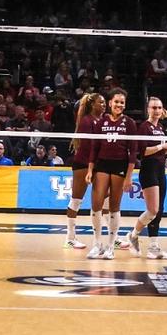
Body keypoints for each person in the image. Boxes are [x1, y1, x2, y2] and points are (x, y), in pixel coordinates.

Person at [85, 89, 139, 260]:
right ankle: (97, 244)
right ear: (110, 103)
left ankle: (110, 246)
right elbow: (94, 148)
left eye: (122, 102)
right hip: (102, 164)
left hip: (120, 165)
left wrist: (129, 176)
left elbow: (133, 152)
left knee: (114, 206)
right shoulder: (101, 122)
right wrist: (90, 169)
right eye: (116, 101)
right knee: (96, 204)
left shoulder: (129, 123)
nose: (119, 105)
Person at [122, 97, 167, 259]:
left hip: (160, 169)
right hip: (148, 169)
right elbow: (143, 152)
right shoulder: (144, 127)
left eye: (159, 108)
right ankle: (133, 235)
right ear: (148, 109)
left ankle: (153, 247)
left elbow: (160, 152)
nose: (157, 111)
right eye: (154, 108)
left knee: (159, 210)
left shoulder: (160, 128)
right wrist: (162, 146)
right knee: (152, 210)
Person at [63, 93, 106, 251]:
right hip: (84, 163)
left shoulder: (103, 120)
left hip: (97, 164)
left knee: (106, 200)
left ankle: (113, 237)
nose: (104, 105)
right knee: (76, 200)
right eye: (101, 102)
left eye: (104, 102)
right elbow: (88, 146)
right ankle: (70, 238)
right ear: (92, 104)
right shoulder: (86, 121)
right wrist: (91, 167)